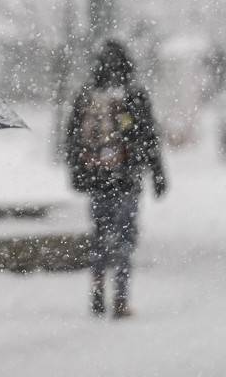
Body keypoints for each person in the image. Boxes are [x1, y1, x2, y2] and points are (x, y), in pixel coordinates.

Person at [64, 39, 167, 319]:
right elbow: (149, 138)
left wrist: (77, 171)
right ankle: (120, 298)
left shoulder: (87, 95)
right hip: (127, 179)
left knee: (99, 234)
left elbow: (72, 136)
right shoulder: (133, 94)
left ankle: (97, 286)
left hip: (97, 178)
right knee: (124, 237)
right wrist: (157, 173)